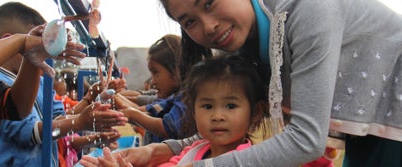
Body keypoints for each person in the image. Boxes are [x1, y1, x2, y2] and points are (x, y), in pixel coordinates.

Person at [106, 0, 402, 167]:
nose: (209, 26)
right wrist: (162, 152)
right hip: (370, 118)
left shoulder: (307, 11)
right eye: (190, 21)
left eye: (210, 4)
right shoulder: (242, 46)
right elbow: (234, 128)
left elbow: (306, 140)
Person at [0, 1, 127, 166]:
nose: (46, 53)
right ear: (10, 42)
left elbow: (56, 119)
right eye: (38, 43)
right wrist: (79, 122)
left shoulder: (40, 82)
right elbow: (27, 132)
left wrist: (88, 114)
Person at [79, 54, 268, 167]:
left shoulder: (245, 161)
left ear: (256, 112)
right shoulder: (195, 149)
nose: (218, 116)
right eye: (207, 106)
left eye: (230, 106)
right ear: (193, 112)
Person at [0, 3, 85, 127]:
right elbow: (27, 131)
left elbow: (16, 109)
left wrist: (34, 56)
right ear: (8, 40)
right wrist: (22, 42)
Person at [114, 34, 186, 144]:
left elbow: (167, 128)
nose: (152, 81)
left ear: (176, 70)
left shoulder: (185, 98)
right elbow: (149, 112)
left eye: (156, 72)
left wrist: (131, 113)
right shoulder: (170, 99)